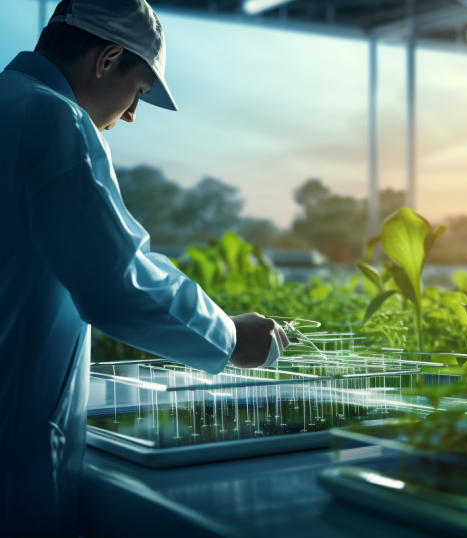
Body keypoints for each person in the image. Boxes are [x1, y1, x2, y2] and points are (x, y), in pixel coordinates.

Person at [0, 1, 290, 535]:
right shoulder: (51, 118)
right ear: (107, 59)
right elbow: (115, 279)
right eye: (140, 92)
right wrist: (229, 336)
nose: (132, 114)